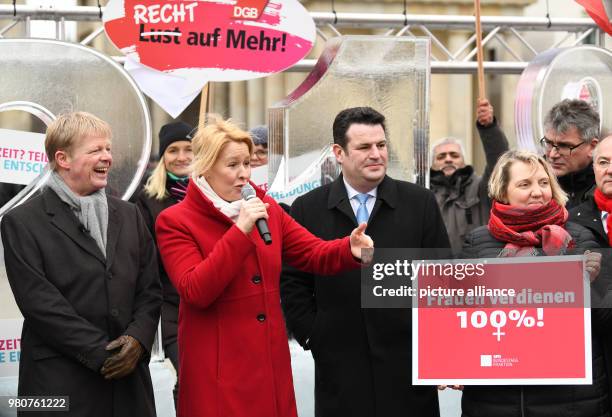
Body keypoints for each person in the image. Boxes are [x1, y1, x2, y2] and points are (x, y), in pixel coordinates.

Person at [154, 116, 373, 417]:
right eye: (232, 165)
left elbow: (311, 252)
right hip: (218, 373)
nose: (244, 174)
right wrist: (239, 231)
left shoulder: (265, 207)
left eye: (247, 163)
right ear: (205, 166)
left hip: (269, 365)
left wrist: (348, 249)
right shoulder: (176, 221)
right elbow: (195, 290)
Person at [280, 107, 450, 417]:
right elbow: (294, 281)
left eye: (381, 145)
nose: (376, 154)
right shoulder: (308, 209)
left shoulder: (420, 202)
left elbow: (442, 280)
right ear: (338, 153)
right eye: (364, 147)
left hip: (406, 370)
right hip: (340, 370)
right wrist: (313, 334)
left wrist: (437, 351)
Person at [1, 112, 162, 417]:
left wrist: (138, 341)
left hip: (128, 388)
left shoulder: (129, 215)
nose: (107, 158)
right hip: (60, 387)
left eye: (108, 149)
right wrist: (104, 354)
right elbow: (41, 305)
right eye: (96, 150)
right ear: (63, 159)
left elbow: (150, 290)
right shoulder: (22, 222)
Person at [460, 149, 607, 417]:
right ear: (502, 191)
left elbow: (604, 321)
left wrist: (590, 287)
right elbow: (460, 319)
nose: (537, 192)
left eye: (543, 182)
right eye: (524, 184)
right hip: (496, 401)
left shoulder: (578, 239)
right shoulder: (476, 243)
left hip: (570, 400)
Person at [135, 120, 194, 402]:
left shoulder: (213, 193)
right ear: (162, 157)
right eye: (173, 150)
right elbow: (144, 258)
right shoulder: (146, 200)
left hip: (212, 303)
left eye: (189, 149)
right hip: (171, 308)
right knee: (191, 378)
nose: (181, 157)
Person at [430, 98, 509, 253]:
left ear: (464, 161)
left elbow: (500, 160)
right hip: (436, 272)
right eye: (441, 156)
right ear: (432, 165)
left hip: (477, 271)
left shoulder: (481, 188)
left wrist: (489, 127)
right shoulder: (424, 194)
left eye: (454, 155)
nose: (448, 159)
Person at [541, 99, 600, 209]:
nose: (553, 155)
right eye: (548, 143)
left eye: (564, 146)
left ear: (593, 146)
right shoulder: (530, 178)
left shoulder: (605, 186)